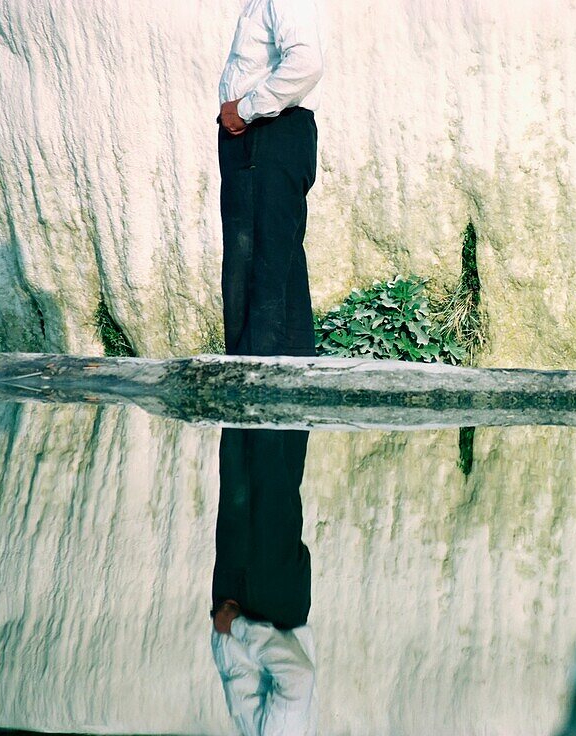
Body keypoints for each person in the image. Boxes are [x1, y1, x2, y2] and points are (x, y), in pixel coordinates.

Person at [217, 0, 324, 357]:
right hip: (267, 134)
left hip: (267, 132)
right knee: (279, 261)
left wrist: (245, 110)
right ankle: (289, 382)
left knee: (256, 261)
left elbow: (306, 63)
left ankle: (253, 382)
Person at [210, 429, 316, 735]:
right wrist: (238, 626)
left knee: (268, 458)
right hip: (259, 601)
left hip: (262, 598)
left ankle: (284, 387)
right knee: (261, 450)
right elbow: (297, 679)